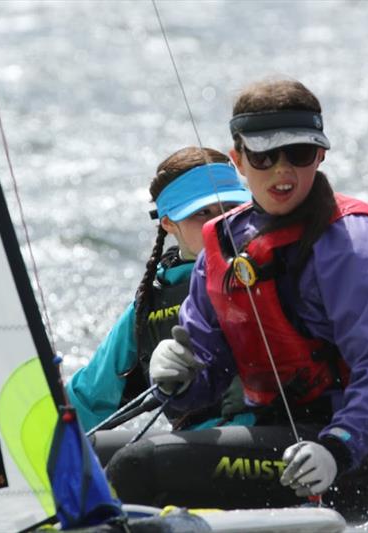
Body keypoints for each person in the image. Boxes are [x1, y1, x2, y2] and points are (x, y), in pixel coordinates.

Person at [105, 79, 368, 525]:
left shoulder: (358, 246)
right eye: (264, 156)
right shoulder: (224, 243)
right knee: (87, 457)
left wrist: (336, 447)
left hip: (342, 459)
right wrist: (177, 376)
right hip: (266, 433)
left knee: (138, 468)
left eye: (299, 154)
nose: (282, 171)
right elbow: (206, 380)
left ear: (322, 155)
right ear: (237, 160)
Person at [65, 146, 251, 433]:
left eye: (230, 208)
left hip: (278, 435)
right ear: (168, 223)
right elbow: (89, 399)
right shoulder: (148, 305)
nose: (219, 223)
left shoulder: (270, 270)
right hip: (203, 451)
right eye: (202, 213)